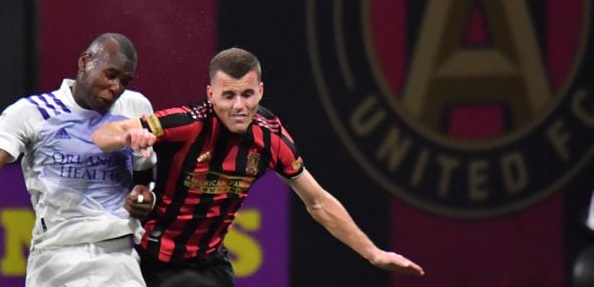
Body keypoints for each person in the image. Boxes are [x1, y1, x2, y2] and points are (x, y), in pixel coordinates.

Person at [92, 47, 425, 286]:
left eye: (248, 95)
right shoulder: (186, 124)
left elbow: (318, 202)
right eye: (229, 96)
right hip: (149, 261)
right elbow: (103, 135)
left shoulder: (271, 139)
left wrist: (373, 254)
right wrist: (130, 134)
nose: (239, 106)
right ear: (211, 94)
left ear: (260, 91)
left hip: (210, 263)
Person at [0, 32, 157, 286]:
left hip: (119, 259)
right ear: (85, 62)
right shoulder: (31, 112)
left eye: (125, 81)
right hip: (57, 257)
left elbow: (145, 173)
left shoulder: (136, 108)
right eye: (111, 75)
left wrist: (145, 194)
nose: (116, 87)